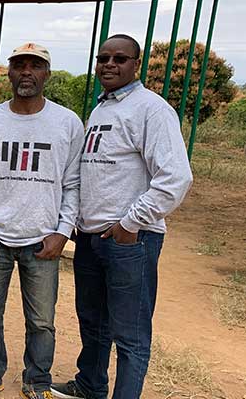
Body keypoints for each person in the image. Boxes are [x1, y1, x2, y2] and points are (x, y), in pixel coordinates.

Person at [50, 34, 193, 399]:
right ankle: (90, 385)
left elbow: (175, 177)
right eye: (104, 58)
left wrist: (130, 223)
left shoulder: (152, 109)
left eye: (120, 58)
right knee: (93, 323)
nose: (110, 64)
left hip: (131, 241)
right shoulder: (102, 108)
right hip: (91, 237)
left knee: (130, 335)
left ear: (136, 64)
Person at [0, 42, 85, 399]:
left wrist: (62, 232)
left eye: (36, 65)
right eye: (19, 64)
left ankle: (37, 381)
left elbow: (73, 185)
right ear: (9, 72)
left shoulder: (67, 122)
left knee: (42, 320)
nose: (27, 71)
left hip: (42, 241)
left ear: (47, 73)